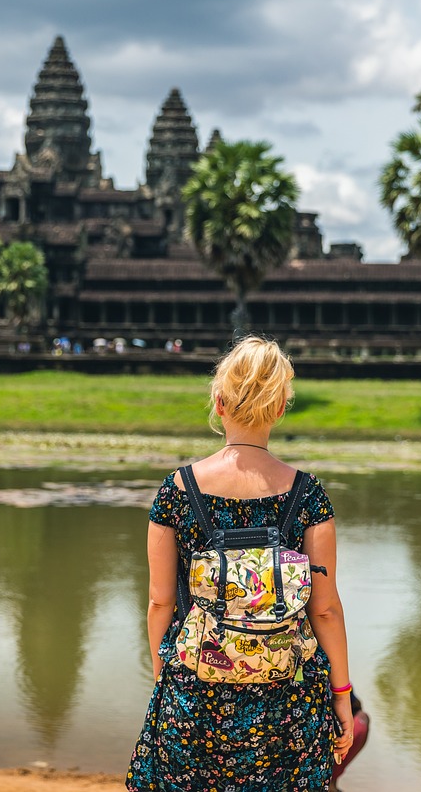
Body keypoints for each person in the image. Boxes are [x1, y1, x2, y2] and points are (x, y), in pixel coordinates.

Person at [127, 336, 355, 791]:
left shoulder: (176, 491)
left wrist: (164, 676)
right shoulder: (308, 495)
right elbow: (325, 609)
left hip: (195, 692)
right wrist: (341, 697)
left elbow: (159, 602)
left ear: (218, 402)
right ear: (279, 409)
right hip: (288, 702)